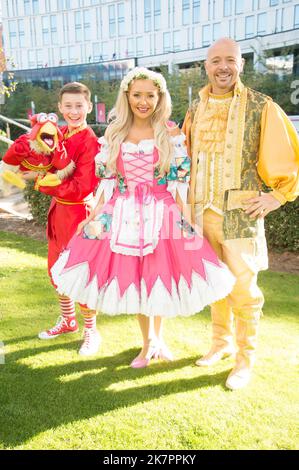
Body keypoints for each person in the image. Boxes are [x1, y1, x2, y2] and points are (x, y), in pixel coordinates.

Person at [50, 67, 235, 368]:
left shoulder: (171, 133)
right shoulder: (114, 133)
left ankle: (158, 341)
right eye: (137, 95)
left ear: (159, 97)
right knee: (135, 280)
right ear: (128, 96)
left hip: (161, 214)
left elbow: (179, 183)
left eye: (150, 95)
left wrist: (189, 220)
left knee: (156, 277)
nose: (143, 101)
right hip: (123, 214)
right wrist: (93, 215)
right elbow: (107, 182)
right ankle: (146, 344)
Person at [182, 38, 299, 390]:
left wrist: (277, 196)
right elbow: (185, 159)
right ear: (205, 66)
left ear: (241, 64)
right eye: (215, 60)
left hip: (240, 214)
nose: (222, 67)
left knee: (245, 292)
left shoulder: (263, 107)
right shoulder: (194, 109)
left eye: (229, 60)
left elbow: (289, 157)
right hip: (201, 211)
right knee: (214, 285)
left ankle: (244, 361)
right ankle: (220, 343)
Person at [22, 82, 101, 356]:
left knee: (82, 275)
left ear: (89, 106)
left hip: (80, 215)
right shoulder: (59, 133)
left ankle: (91, 330)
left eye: (79, 105)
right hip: (59, 213)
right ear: (59, 108)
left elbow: (82, 186)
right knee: (56, 270)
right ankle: (68, 320)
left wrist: (42, 182)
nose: (74, 111)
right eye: (68, 106)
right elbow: (46, 161)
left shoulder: (90, 141)